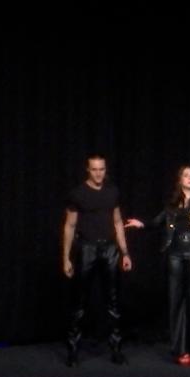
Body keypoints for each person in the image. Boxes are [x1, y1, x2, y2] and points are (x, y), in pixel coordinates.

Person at [125, 166, 190, 365]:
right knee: (176, 300)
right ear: (180, 180)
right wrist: (141, 224)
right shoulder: (171, 204)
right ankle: (180, 349)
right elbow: (157, 222)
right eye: (186, 175)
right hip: (175, 254)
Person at [61, 154, 133, 366]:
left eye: (101, 169)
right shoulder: (78, 194)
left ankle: (116, 349)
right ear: (88, 170)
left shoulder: (112, 192)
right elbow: (70, 225)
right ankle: (73, 350)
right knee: (80, 302)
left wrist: (125, 252)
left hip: (110, 248)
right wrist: (66, 257)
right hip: (87, 248)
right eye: (94, 169)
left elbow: (118, 222)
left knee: (113, 301)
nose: (98, 173)